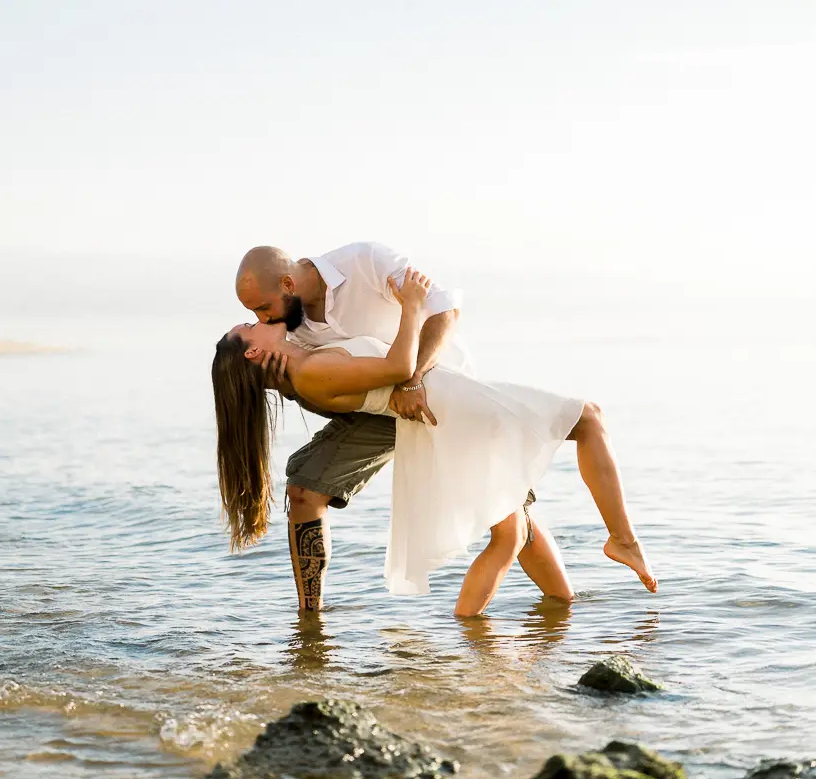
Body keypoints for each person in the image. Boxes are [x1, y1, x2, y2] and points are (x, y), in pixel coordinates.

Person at [214, 263, 657, 615]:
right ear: (254, 351)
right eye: (250, 324)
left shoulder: (305, 348)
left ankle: (555, 611)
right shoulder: (308, 370)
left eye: (258, 312)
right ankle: (486, 620)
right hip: (454, 410)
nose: (259, 319)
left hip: (452, 404)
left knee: (513, 524)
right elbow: (400, 369)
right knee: (576, 434)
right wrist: (412, 304)